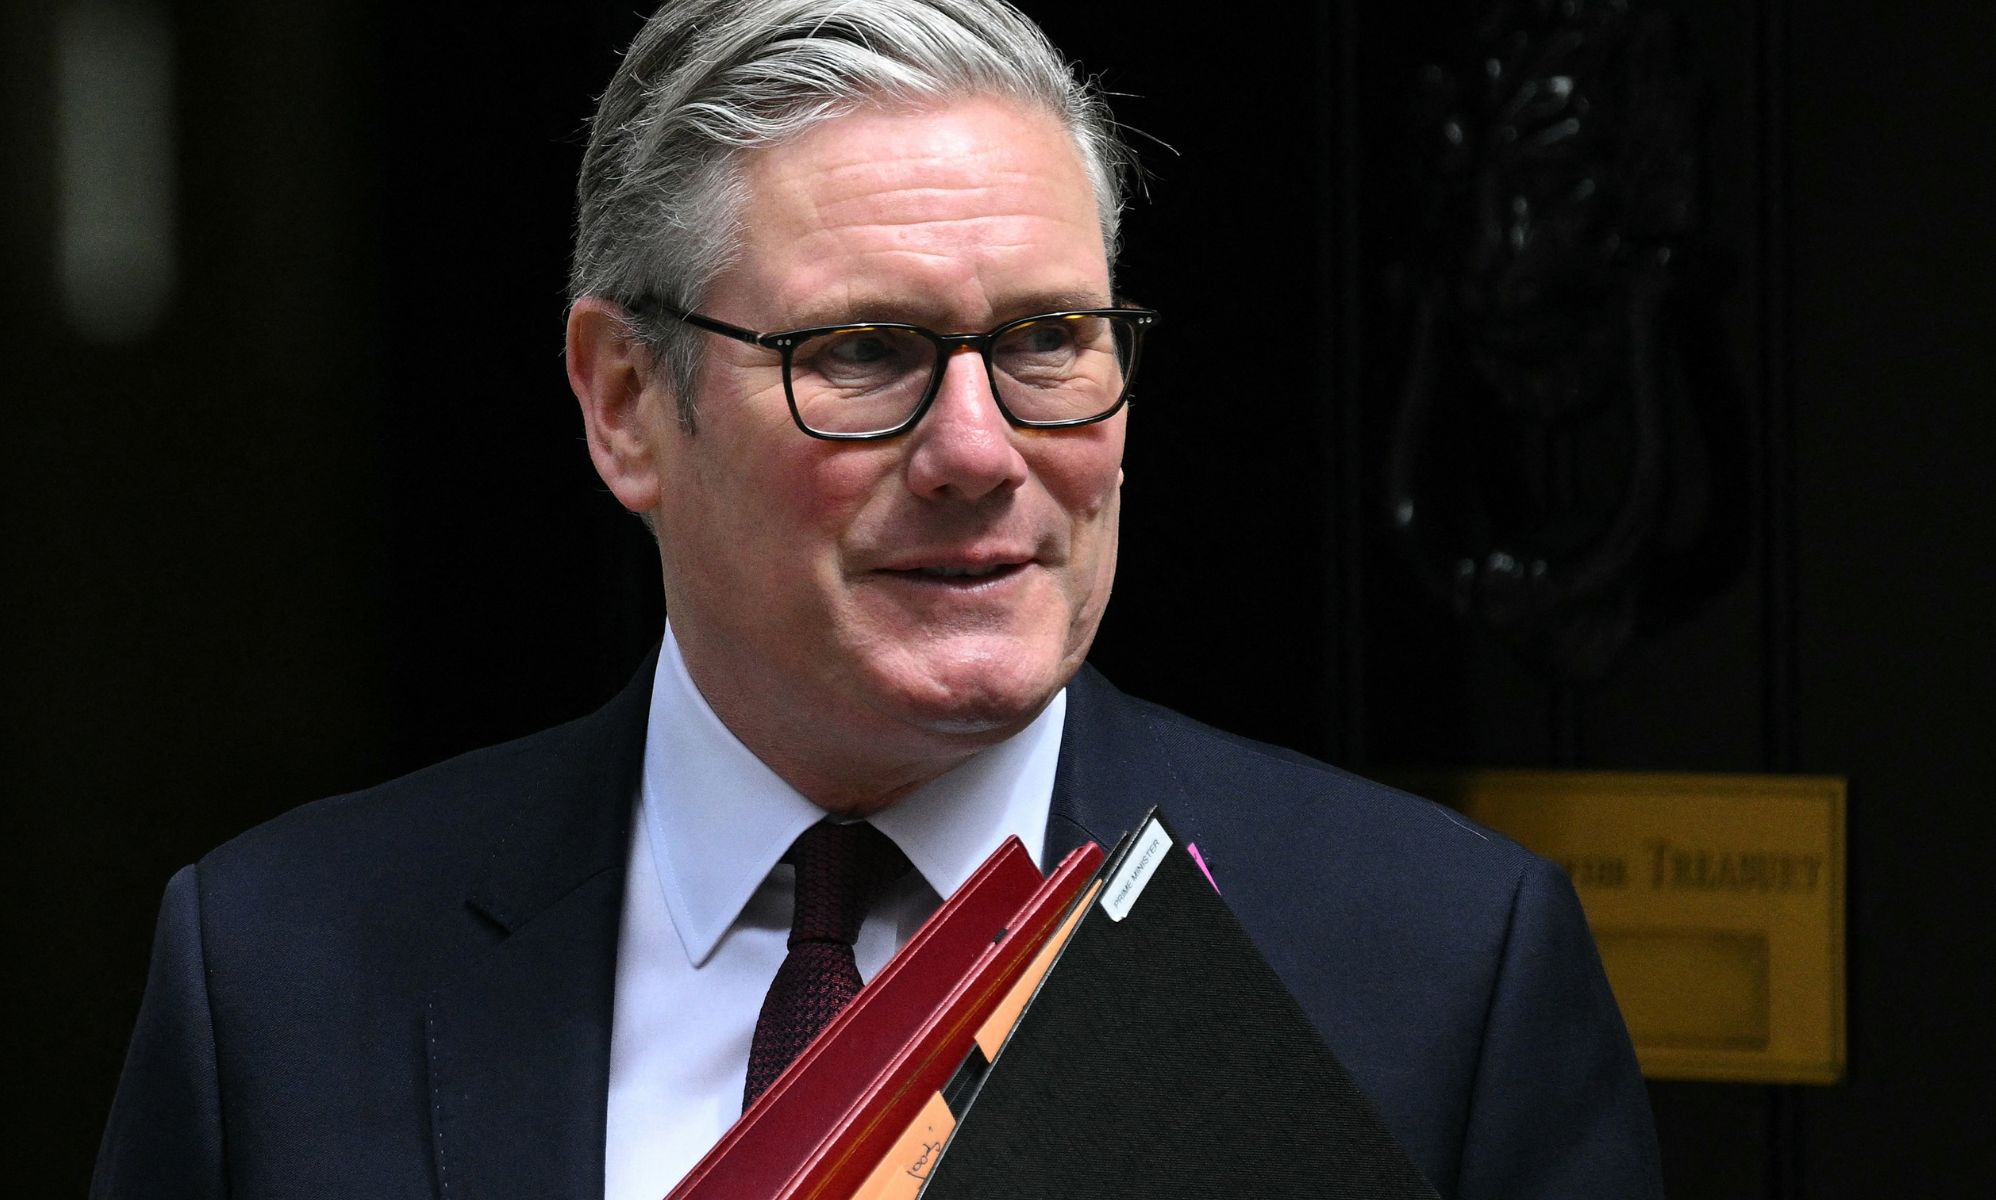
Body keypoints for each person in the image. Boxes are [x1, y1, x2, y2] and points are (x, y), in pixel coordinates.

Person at [93, 2, 1664, 1197]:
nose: (981, 450)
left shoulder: (1440, 970)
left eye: (1051, 338)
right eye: (861, 353)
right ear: (628, 401)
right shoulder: (279, 977)